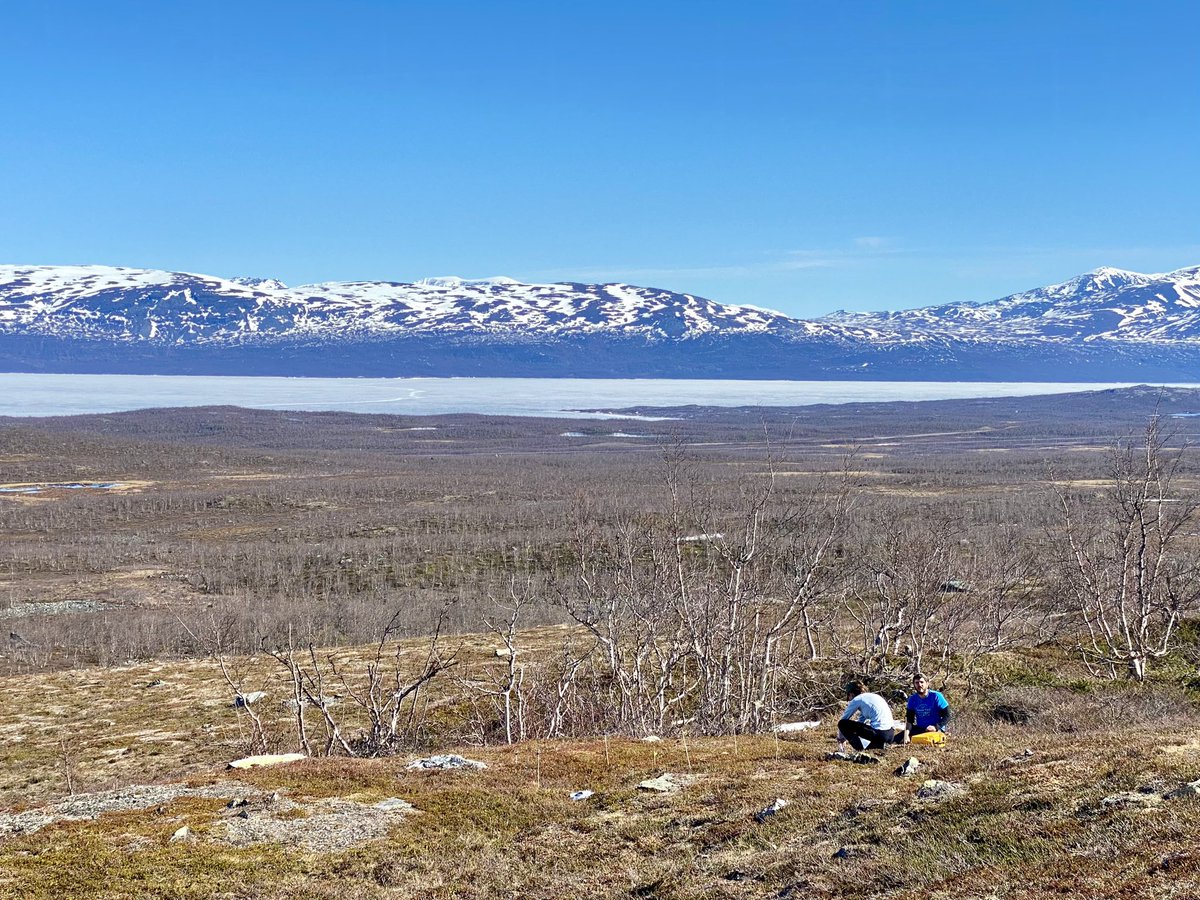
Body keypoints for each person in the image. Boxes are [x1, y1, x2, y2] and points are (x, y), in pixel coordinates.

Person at [837, 679, 896, 751]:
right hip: (890, 734)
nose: (849, 700)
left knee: (842, 724)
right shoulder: (871, 697)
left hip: (880, 733)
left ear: (851, 694)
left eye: (848, 696)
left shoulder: (857, 699)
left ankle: (859, 750)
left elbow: (844, 719)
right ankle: (880, 746)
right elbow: (861, 722)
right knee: (869, 751)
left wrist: (841, 738)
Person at [903, 672, 950, 742]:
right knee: (895, 739)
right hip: (921, 729)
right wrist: (906, 734)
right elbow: (909, 719)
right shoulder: (912, 699)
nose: (919, 685)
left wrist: (936, 727)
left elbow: (947, 715)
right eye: (917, 683)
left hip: (936, 730)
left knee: (925, 741)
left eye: (922, 682)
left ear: (927, 683)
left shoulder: (936, 696)